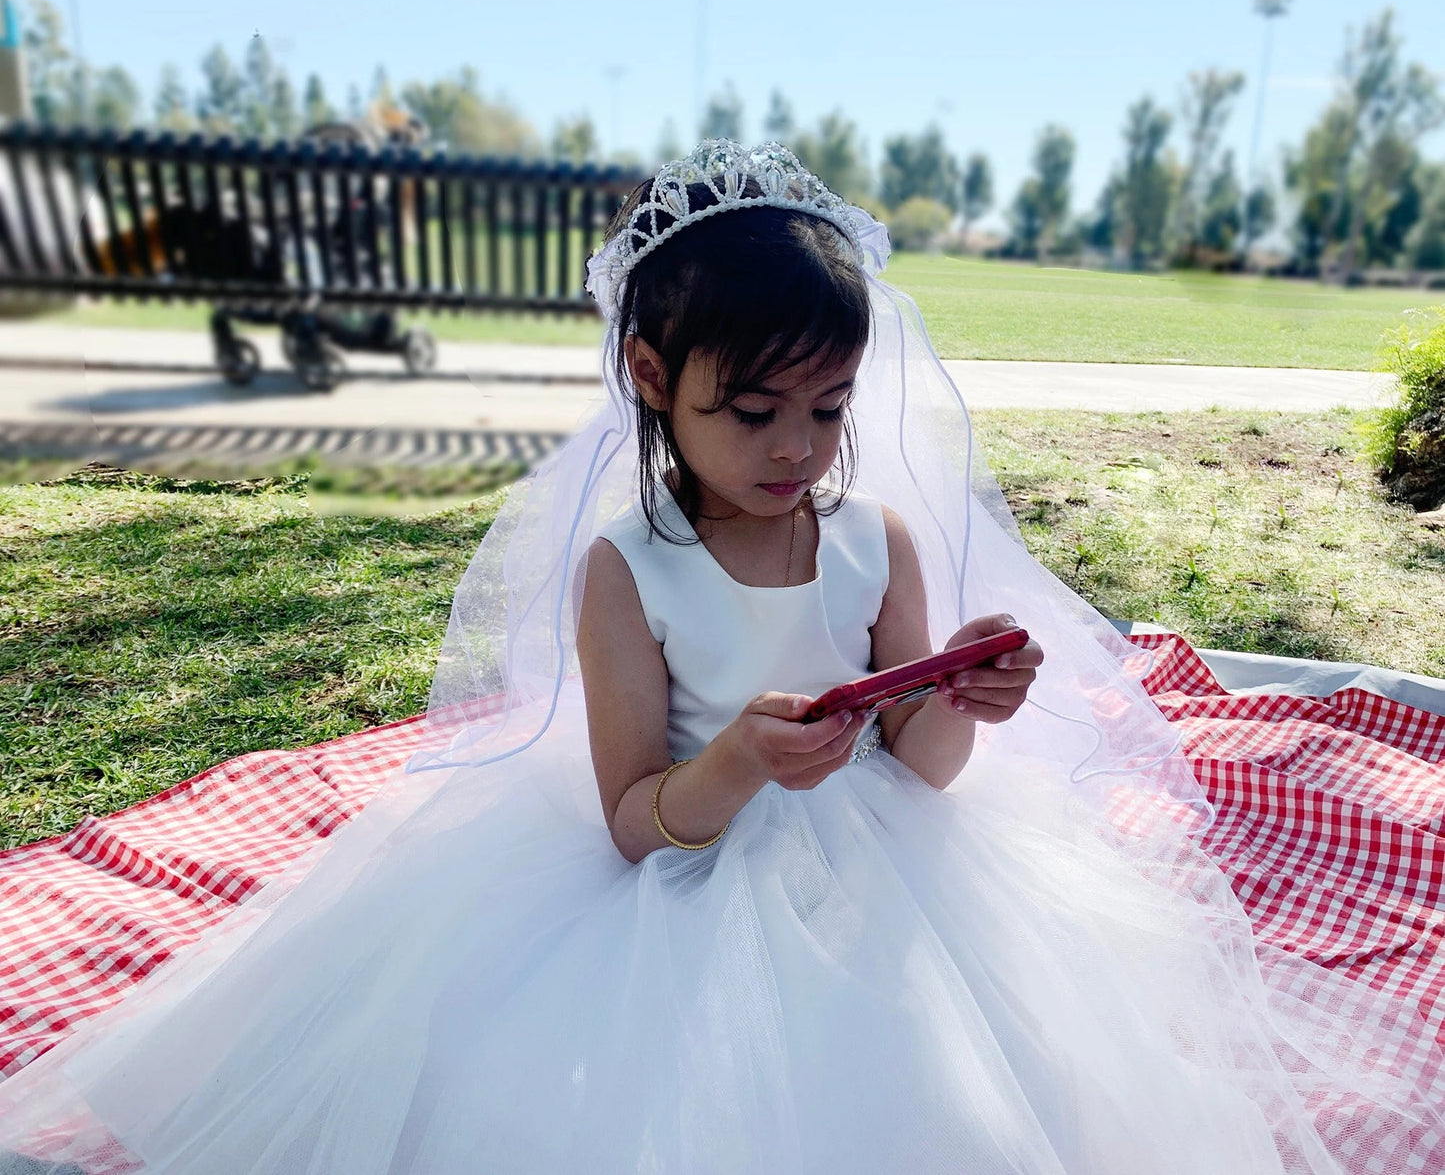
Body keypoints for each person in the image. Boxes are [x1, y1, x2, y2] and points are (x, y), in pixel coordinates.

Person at [0, 141, 1440, 1174]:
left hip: (889, 871)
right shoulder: (628, 569)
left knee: (966, 1086)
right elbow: (634, 822)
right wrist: (740, 759)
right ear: (649, 380)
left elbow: (922, 771)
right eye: (751, 409)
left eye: (823, 408)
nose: (794, 448)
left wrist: (955, 696)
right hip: (694, 862)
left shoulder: (875, 537)